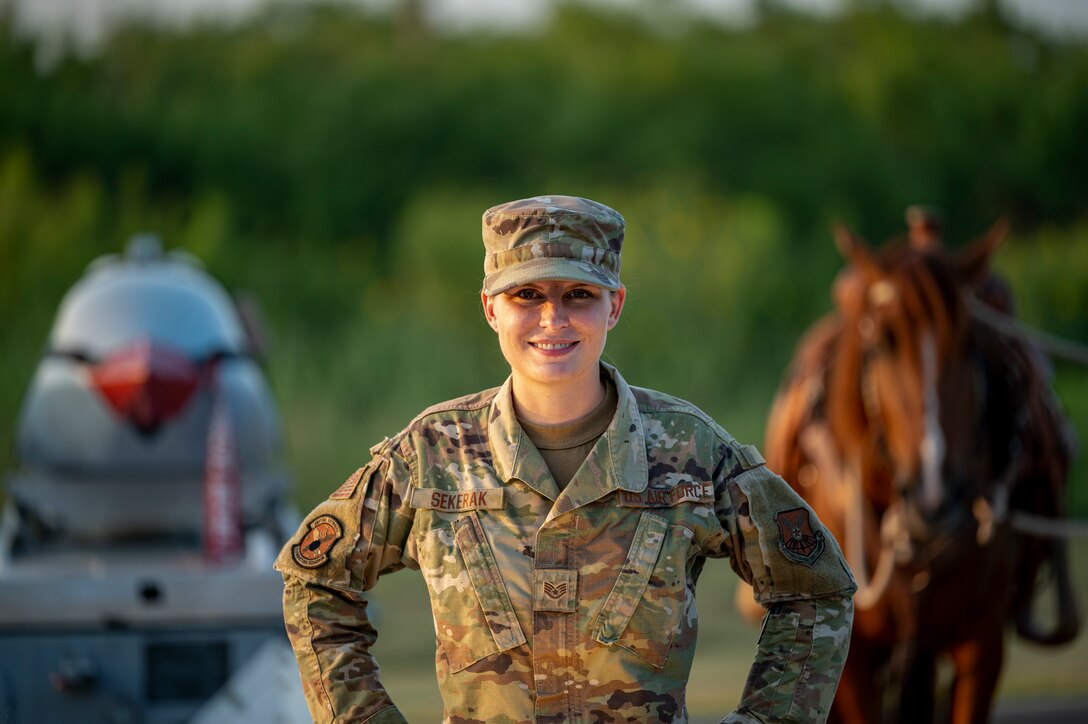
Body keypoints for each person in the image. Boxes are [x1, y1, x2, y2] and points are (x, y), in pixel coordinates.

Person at [275, 195, 857, 723]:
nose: (553, 318)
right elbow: (314, 582)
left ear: (615, 306)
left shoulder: (691, 451)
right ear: (490, 309)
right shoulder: (433, 454)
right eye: (527, 295)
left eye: (579, 294)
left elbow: (815, 587)